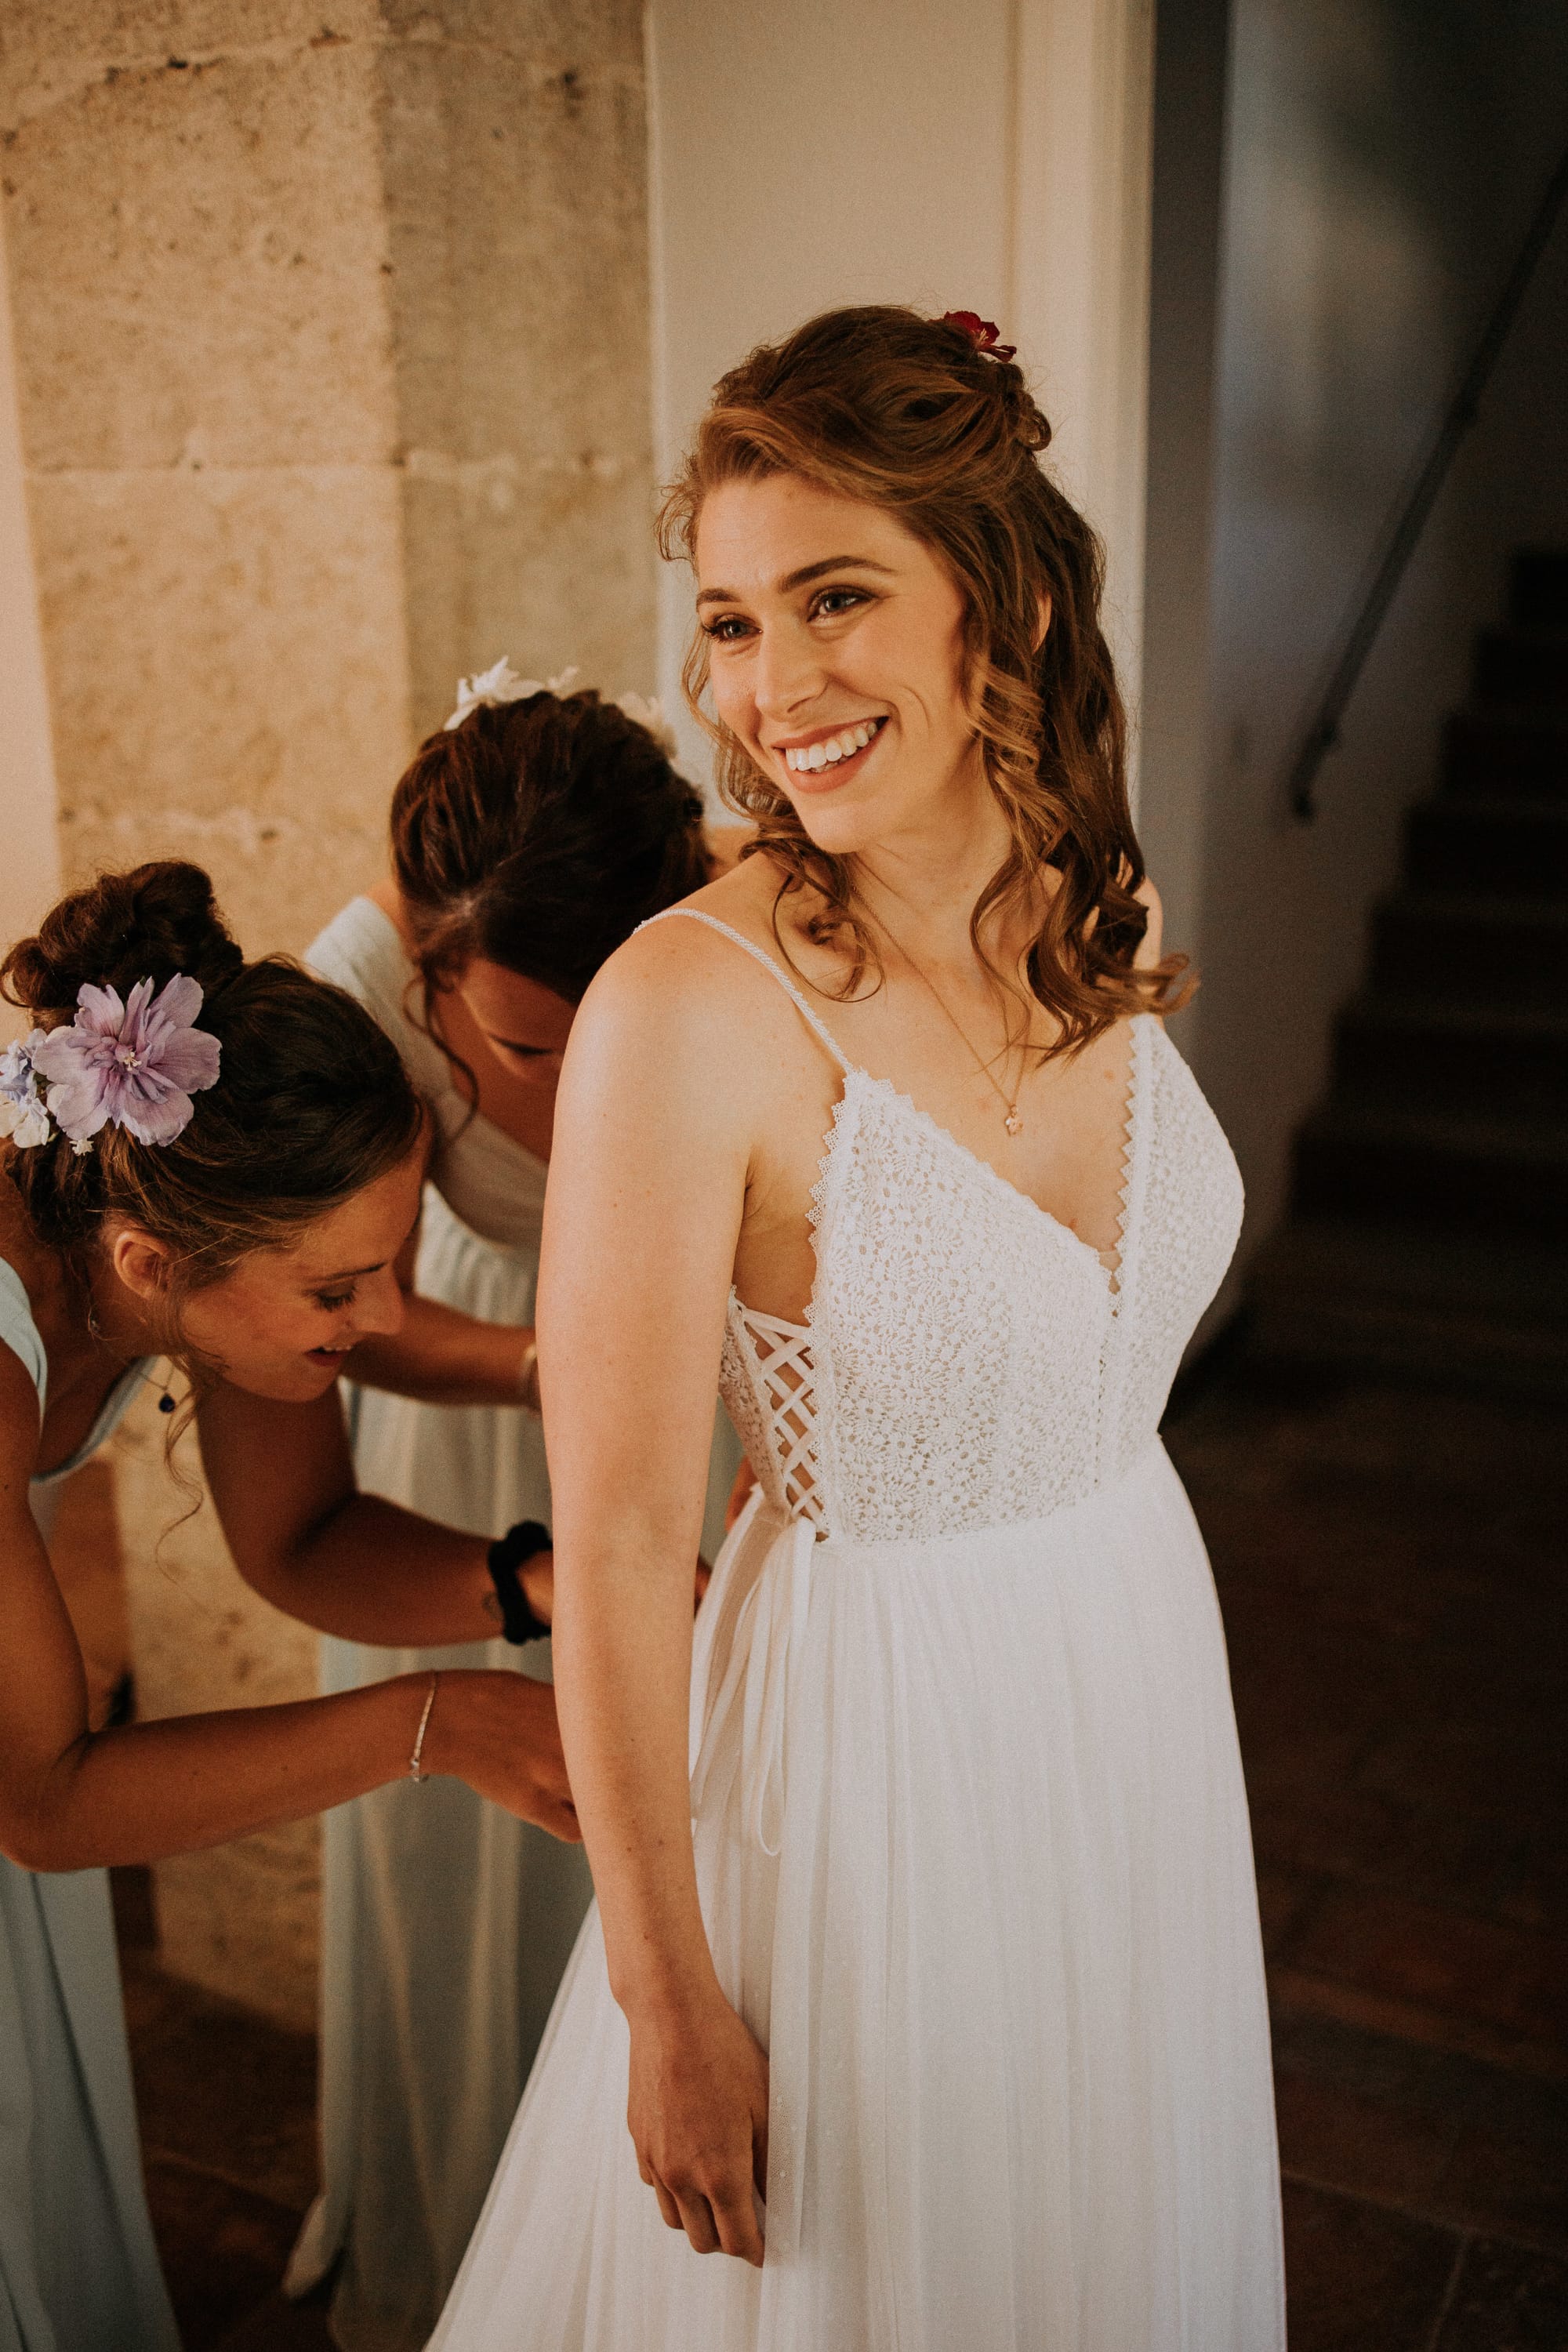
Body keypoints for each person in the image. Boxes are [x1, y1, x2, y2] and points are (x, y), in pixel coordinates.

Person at [430, 307, 1286, 2350]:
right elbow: (615, 1548)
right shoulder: (684, 1011)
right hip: (871, 1758)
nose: (773, 688)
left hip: (1131, 1673)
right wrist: (665, 1997)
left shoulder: (1097, 906)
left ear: (1002, 600)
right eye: (731, 623)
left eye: (835, 598)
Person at [0, 859, 577, 2352]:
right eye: (337, 1293)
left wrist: (529, 1582)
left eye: (384, 1269)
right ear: (151, 1270)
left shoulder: (167, 1204)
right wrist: (440, 1722)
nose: (380, 1322)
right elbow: (45, 1803)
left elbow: (303, 1540)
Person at [290, 676, 745, 2349]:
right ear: (431, 981)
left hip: (699, 1406)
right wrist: (572, 1365)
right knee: (477, 1847)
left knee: (700, 1824)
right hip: (482, 1428)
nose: (573, 1082)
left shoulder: (737, 921)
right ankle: (467, 2233)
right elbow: (354, 1316)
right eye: (530, 1049)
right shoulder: (359, 990)